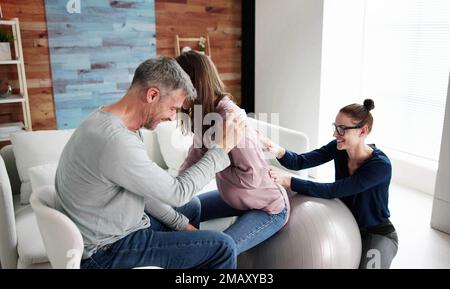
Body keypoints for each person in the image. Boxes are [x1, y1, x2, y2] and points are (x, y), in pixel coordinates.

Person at [55, 57, 246, 269]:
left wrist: (181, 224)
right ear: (152, 95)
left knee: (190, 207)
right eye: (173, 108)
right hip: (105, 252)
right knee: (223, 247)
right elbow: (177, 192)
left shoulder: (111, 121)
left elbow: (143, 192)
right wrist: (220, 149)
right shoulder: (116, 141)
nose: (174, 118)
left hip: (113, 227)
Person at [261, 99, 398, 269]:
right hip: (346, 226)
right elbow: (300, 162)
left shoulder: (380, 166)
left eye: (342, 129)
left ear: (363, 131)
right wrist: (276, 150)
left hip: (377, 233)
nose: (335, 134)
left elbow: (334, 190)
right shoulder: (338, 148)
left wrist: (288, 181)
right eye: (335, 127)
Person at [175, 51, 289, 255]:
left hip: (267, 208)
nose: (172, 90)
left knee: (219, 250)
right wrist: (173, 189)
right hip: (236, 200)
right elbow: (195, 157)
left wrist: (214, 162)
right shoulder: (205, 114)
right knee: (183, 207)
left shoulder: (231, 120)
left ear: (193, 83)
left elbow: (252, 177)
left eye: (176, 83)